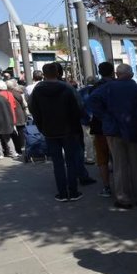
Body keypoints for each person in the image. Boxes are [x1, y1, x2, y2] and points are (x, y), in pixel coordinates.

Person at [88, 63, 137, 209]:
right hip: (134, 129)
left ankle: (123, 198)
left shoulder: (107, 88)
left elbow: (92, 100)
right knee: (136, 163)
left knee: (119, 164)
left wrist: (104, 116)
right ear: (130, 74)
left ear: (117, 74)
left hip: (113, 129)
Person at [28, 63, 85, 202]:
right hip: (69, 130)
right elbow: (78, 108)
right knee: (70, 161)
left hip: (49, 131)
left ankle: (62, 193)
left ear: (43, 74)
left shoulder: (37, 90)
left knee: (57, 162)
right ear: (58, 73)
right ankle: (73, 191)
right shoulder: (67, 88)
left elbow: (33, 110)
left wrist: (42, 126)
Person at [87, 62, 115, 197]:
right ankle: (124, 185)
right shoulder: (118, 84)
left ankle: (107, 187)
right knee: (119, 157)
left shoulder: (95, 88)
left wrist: (103, 117)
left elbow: (90, 105)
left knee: (102, 157)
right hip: (118, 126)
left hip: (100, 126)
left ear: (99, 72)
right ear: (113, 71)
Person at [3, 79, 28, 154]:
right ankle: (21, 144)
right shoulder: (15, 93)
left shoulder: (5, 93)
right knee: (20, 129)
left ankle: (15, 146)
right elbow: (22, 102)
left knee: (15, 130)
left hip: (11, 113)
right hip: (18, 112)